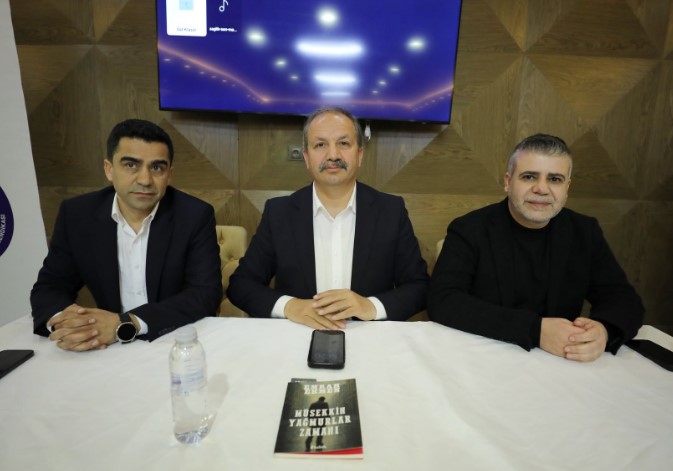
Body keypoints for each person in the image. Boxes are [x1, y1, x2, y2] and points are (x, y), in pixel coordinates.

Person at [428, 134, 644, 362]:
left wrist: (603, 330)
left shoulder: (584, 232)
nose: (541, 189)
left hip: (560, 362)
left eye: (555, 179)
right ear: (508, 182)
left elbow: (624, 299)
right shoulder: (469, 229)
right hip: (484, 356)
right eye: (529, 176)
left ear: (567, 188)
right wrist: (535, 330)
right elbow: (443, 300)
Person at [227, 106, 429, 329]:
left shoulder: (391, 211)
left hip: (369, 338)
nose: (333, 155)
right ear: (306, 157)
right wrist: (290, 307)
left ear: (360, 155)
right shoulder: (279, 213)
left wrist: (370, 306)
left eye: (343, 143)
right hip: (299, 336)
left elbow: (419, 287)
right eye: (320, 145)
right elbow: (241, 285)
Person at [30, 119, 222, 351]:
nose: (145, 180)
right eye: (131, 165)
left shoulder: (194, 215)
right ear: (109, 169)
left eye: (157, 168)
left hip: (174, 340)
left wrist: (127, 323)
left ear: (169, 175)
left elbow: (204, 294)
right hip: (105, 347)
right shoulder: (77, 215)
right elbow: (50, 287)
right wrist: (72, 324)